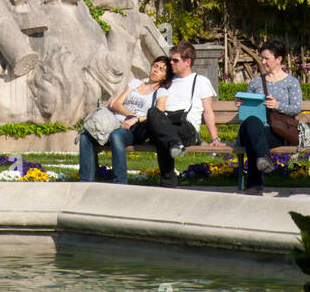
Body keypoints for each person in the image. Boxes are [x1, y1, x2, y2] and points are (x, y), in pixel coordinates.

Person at [79, 57, 172, 185]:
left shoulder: (161, 92)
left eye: (161, 69)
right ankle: (86, 181)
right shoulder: (135, 83)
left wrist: (136, 120)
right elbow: (116, 104)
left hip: (136, 129)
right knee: (85, 135)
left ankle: (120, 183)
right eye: (155, 66)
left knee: (116, 136)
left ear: (165, 77)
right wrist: (132, 116)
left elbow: (158, 113)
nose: (156, 70)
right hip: (116, 122)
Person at [147, 41, 223, 188]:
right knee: (154, 114)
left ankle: (168, 180)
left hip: (187, 128)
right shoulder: (168, 82)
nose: (171, 63)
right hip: (167, 126)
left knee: (164, 134)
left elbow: (208, 112)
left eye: (175, 60)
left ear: (187, 62)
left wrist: (215, 138)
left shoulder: (200, 81)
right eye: (171, 59)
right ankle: (175, 145)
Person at [237, 38, 303, 195]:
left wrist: (277, 106)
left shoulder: (291, 82)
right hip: (251, 128)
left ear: (279, 59)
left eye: (266, 58)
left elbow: (296, 108)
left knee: (255, 138)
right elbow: (245, 116)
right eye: (262, 58)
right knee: (253, 122)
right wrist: (242, 105)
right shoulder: (255, 82)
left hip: (275, 131)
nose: (263, 61)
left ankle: (254, 185)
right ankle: (264, 157)